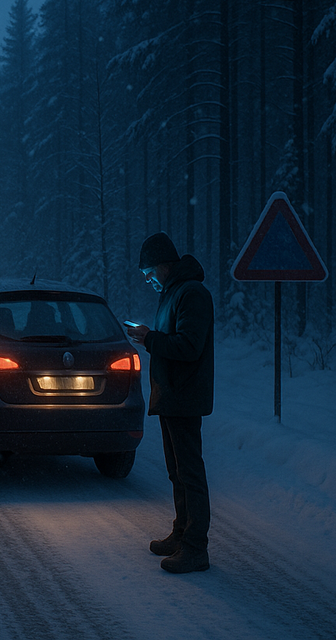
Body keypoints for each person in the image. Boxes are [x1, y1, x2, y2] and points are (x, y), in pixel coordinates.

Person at [124, 231, 214, 574]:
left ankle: (195, 547)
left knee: (190, 472)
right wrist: (152, 337)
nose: (149, 281)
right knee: (177, 471)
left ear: (163, 264)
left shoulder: (192, 294)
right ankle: (181, 533)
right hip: (172, 395)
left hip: (184, 397)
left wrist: (150, 339)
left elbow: (189, 346)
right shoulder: (175, 293)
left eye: (150, 274)